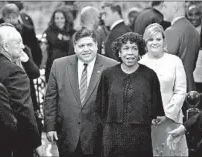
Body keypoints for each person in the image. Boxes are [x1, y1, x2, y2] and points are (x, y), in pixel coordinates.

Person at [43, 28, 118, 157]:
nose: (86, 49)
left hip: (99, 138)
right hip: (67, 136)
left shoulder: (112, 67)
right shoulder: (59, 65)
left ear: (97, 45)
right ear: (75, 47)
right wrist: (50, 127)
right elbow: (50, 98)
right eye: (81, 46)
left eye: (89, 45)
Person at [97, 32, 165, 157]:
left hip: (140, 137)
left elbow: (157, 110)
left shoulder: (149, 75)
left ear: (139, 52)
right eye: (126, 48)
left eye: (134, 48)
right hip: (113, 136)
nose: (130, 53)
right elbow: (101, 106)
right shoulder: (108, 75)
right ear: (119, 52)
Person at [0, 25, 42, 157]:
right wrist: (36, 143)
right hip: (18, 139)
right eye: (18, 42)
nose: (23, 46)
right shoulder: (15, 71)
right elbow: (23, 109)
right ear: (6, 46)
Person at [139, 23, 188, 156]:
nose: (155, 42)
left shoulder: (174, 61)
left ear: (164, 41)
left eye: (158, 39)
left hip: (171, 120)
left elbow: (180, 90)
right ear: (145, 42)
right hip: (147, 122)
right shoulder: (140, 63)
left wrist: (167, 115)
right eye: (151, 39)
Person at [161, 1, 200, 92]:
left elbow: (164, 66)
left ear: (174, 8)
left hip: (175, 89)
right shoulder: (194, 30)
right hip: (190, 86)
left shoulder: (171, 31)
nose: (162, 10)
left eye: (165, 7)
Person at [40, 7, 76, 82]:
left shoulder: (72, 32)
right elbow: (55, 42)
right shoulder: (49, 31)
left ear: (66, 19)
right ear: (53, 19)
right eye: (57, 18)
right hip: (53, 69)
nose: (59, 20)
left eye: (62, 18)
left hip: (69, 69)